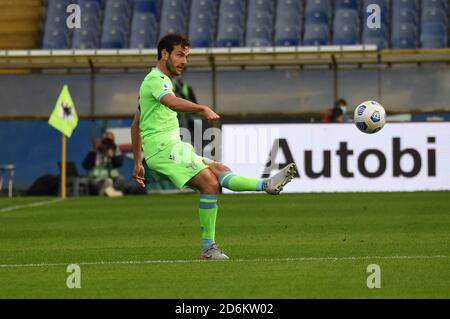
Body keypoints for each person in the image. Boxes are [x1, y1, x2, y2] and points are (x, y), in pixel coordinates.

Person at [130, 33, 297, 260]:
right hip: (163, 149)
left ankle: (266, 185)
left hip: (171, 147)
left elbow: (136, 125)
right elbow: (171, 102)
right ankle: (208, 248)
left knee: (220, 170)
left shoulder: (156, 82)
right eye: (180, 55)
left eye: (186, 56)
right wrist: (202, 108)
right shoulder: (156, 81)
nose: (184, 61)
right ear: (164, 54)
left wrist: (138, 161)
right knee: (210, 183)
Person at [82, 131, 125, 197]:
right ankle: (110, 191)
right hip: (98, 179)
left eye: (109, 140)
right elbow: (85, 165)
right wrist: (94, 150)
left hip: (113, 179)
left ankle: (105, 191)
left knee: (121, 179)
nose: (107, 143)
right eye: (105, 140)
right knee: (90, 181)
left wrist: (113, 157)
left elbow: (119, 164)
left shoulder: (115, 150)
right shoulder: (95, 150)